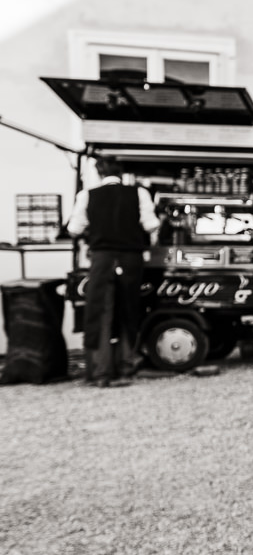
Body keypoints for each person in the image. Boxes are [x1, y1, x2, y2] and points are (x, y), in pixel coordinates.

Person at [67, 158, 159, 387]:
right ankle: (126, 366)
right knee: (129, 309)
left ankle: (100, 371)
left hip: (102, 259)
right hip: (130, 259)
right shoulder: (139, 193)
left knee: (100, 313)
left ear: (99, 173)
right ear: (122, 173)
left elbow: (74, 228)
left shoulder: (87, 195)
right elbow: (151, 225)